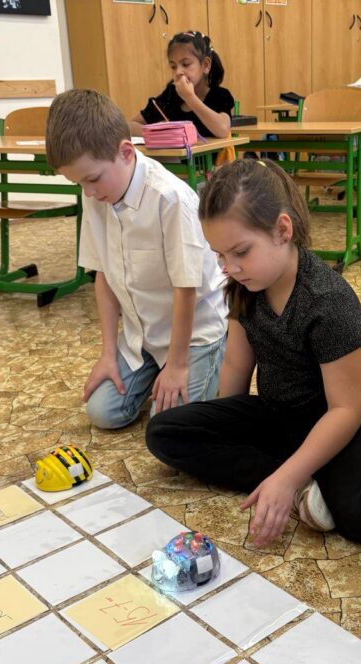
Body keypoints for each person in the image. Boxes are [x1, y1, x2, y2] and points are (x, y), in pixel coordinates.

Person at [145, 159, 361, 548]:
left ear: (282, 230)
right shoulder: (244, 288)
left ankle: (293, 475)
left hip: (339, 419)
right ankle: (299, 482)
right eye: (220, 256)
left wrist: (283, 475)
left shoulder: (328, 300)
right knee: (164, 432)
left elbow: (347, 409)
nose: (230, 267)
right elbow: (236, 366)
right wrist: (225, 425)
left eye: (241, 252)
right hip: (279, 415)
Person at [45, 89, 227, 429]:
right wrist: (108, 355)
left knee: (169, 426)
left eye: (92, 179)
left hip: (194, 335)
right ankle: (158, 372)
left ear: (126, 152)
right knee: (102, 412)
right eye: (78, 183)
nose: (88, 192)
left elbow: (186, 289)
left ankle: (210, 363)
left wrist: (177, 366)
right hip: (144, 336)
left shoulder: (170, 198)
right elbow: (103, 276)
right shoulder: (96, 193)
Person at [131, 30, 234, 140]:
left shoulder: (220, 95)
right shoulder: (170, 96)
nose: (178, 72)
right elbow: (130, 126)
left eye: (186, 64)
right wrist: (159, 133)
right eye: (173, 66)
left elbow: (223, 130)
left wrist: (190, 97)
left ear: (205, 65)